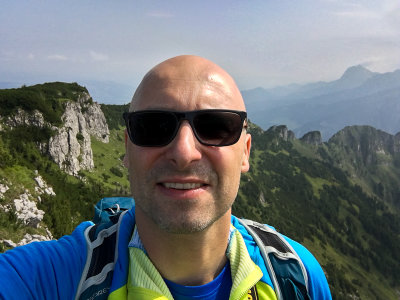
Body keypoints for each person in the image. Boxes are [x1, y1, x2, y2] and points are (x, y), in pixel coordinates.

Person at [0, 55, 332, 299]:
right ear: (127, 150)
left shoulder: (297, 276)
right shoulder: (48, 280)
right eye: (154, 127)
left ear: (245, 152)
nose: (184, 151)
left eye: (215, 127)